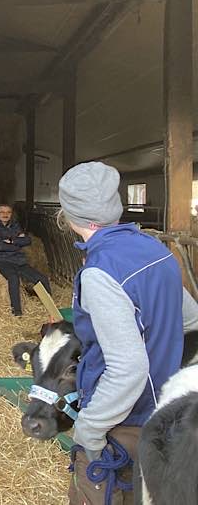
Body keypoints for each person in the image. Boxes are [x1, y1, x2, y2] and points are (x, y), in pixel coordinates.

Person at [57, 162, 187, 505]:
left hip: (125, 424)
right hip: (168, 414)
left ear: (70, 215)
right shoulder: (157, 250)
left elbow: (128, 368)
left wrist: (90, 430)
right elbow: (189, 320)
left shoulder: (100, 271)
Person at [0, 204, 51, 316]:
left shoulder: (15, 224)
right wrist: (18, 242)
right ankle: (17, 313)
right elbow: (0, 247)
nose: (5, 215)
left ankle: (50, 308)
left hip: (18, 260)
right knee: (13, 278)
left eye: (8, 212)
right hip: (1, 260)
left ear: (11, 214)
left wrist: (12, 240)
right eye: (2, 212)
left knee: (41, 278)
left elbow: (27, 241)